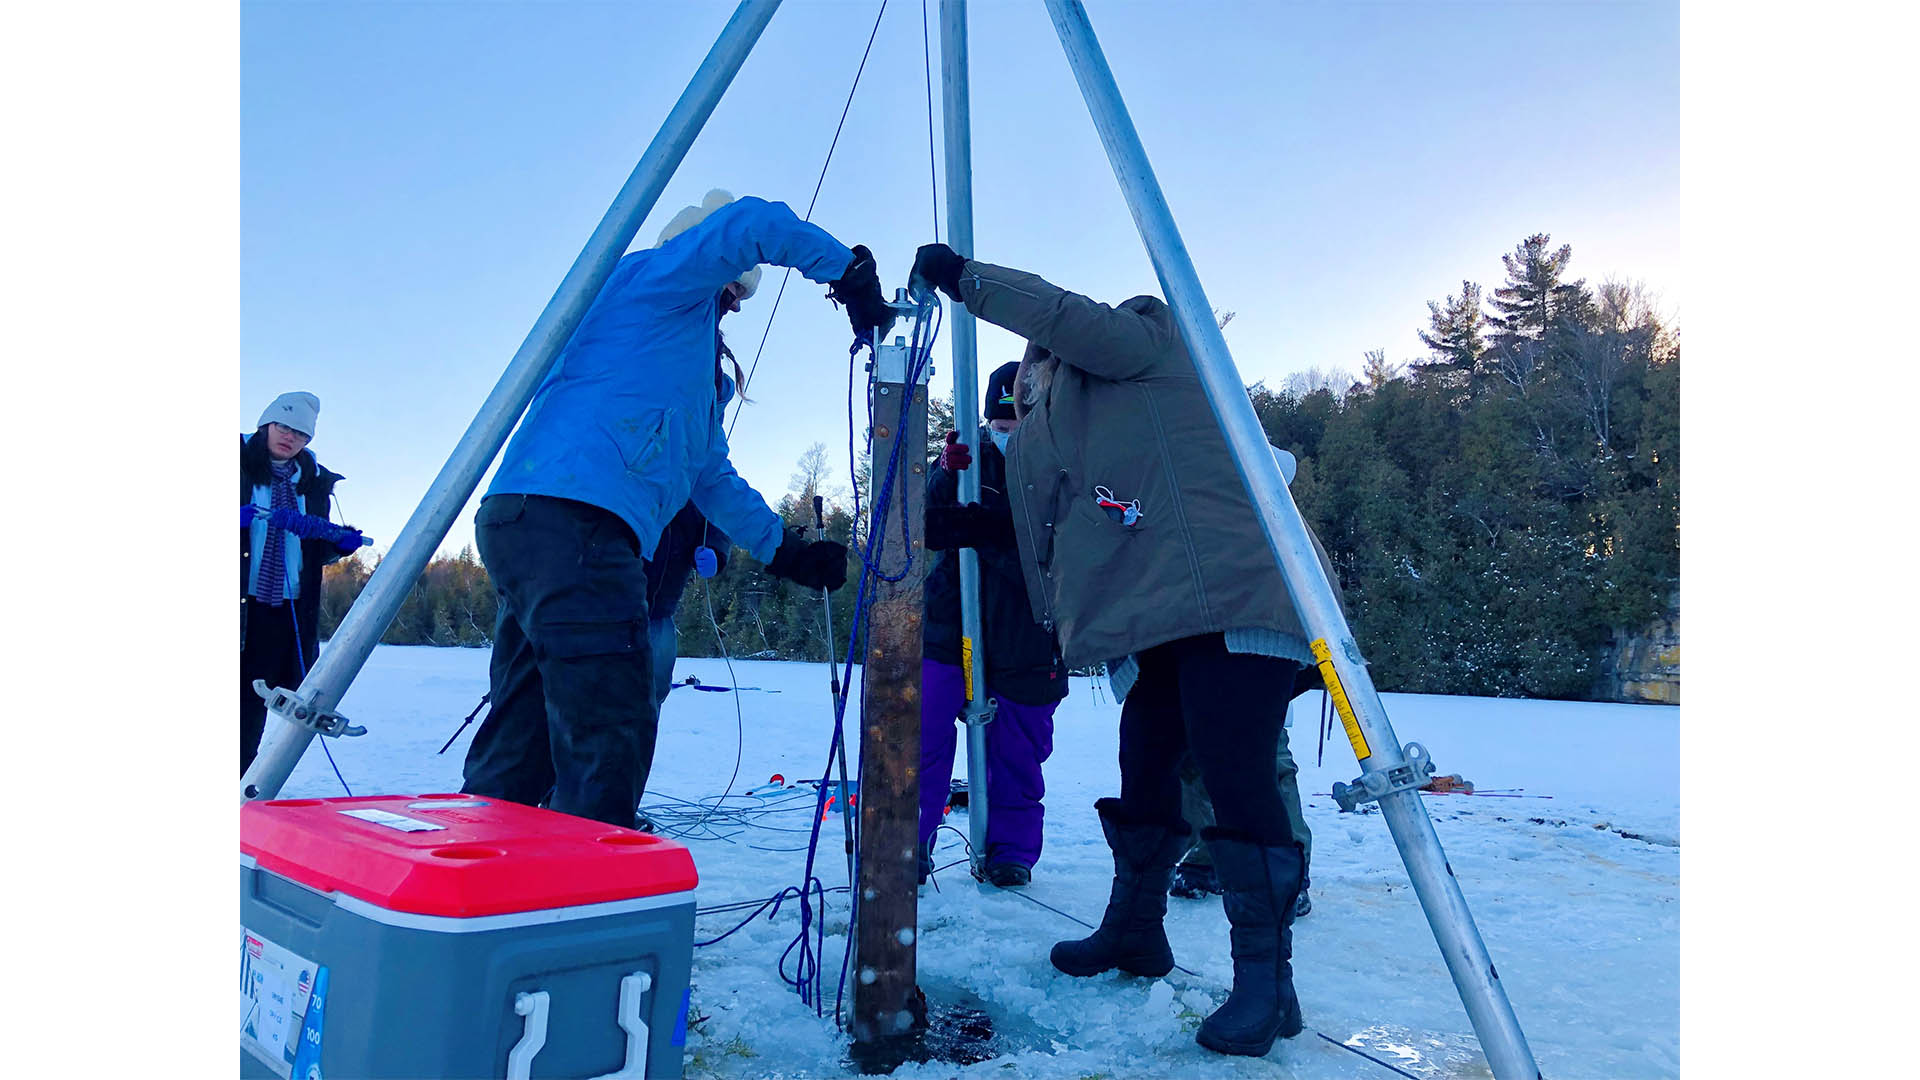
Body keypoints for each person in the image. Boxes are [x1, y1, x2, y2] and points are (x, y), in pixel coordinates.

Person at [909, 242, 1347, 1058]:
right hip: (1162, 615)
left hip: (1234, 588)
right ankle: (1135, 931)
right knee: (1143, 760)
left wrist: (968, 280)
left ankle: (1267, 983)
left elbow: (1061, 314)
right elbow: (1063, 525)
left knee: (1235, 771)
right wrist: (977, 525)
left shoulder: (1142, 341)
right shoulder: (1063, 429)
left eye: (1033, 373)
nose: (1028, 387)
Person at [461, 190, 887, 829]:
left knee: (525, 725)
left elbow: (710, 474)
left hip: (535, 520)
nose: (731, 308)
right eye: (732, 295)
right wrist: (846, 272)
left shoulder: (677, 362)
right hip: (580, 522)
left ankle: (481, 875)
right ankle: (588, 898)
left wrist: (785, 551)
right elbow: (754, 223)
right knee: (612, 723)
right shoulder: (652, 282)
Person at [918, 361, 1068, 889]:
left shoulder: (1060, 464)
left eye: (1016, 428)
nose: (1007, 438)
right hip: (948, 626)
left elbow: (1056, 555)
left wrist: (990, 535)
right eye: (998, 429)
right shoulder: (967, 462)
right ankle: (910, 841)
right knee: (923, 735)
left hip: (1028, 634)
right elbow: (926, 524)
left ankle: (1011, 851)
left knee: (1017, 752)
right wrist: (940, 475)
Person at [241, 392, 365, 773]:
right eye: (283, 427)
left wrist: (339, 546)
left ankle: (248, 782)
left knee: (262, 701)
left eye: (300, 434)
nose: (290, 438)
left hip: (288, 607)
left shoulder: (312, 483)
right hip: (241, 604)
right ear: (266, 424)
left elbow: (313, 552)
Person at [644, 501, 730, 707]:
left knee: (652, 693)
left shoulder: (696, 478)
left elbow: (718, 513)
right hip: (603, 607)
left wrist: (716, 550)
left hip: (659, 612)